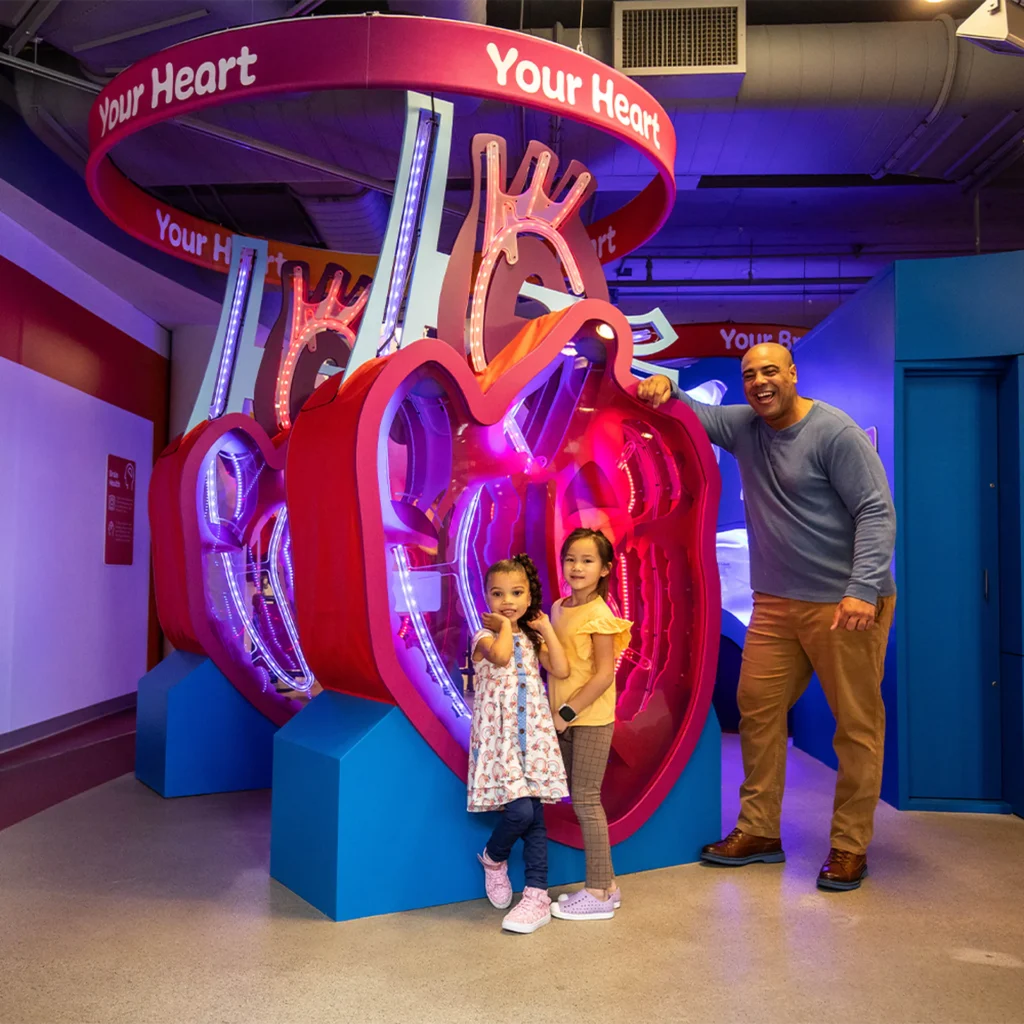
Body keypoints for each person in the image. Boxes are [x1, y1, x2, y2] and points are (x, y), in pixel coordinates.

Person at [637, 344, 896, 891]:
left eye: (771, 371)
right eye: (750, 374)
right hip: (775, 603)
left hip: (843, 602)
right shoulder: (745, 427)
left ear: (793, 374)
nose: (760, 382)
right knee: (757, 710)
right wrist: (666, 388)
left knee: (856, 726)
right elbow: (692, 411)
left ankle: (850, 846)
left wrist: (862, 589)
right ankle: (758, 831)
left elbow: (876, 511)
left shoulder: (835, 433)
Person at [468, 554, 570, 934]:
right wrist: (504, 626)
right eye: (498, 594)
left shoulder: (529, 637)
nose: (507, 601)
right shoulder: (483, 636)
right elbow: (500, 656)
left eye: (516, 593)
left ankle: (537, 894)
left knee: (536, 817)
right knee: (521, 813)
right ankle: (493, 858)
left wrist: (546, 629)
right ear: (486, 598)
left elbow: (560, 668)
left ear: (529, 598)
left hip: (534, 738)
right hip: (502, 740)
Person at [549, 528, 632, 921]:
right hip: (562, 720)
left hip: (590, 720)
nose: (577, 567)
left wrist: (565, 714)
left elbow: (603, 676)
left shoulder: (600, 617)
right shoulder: (558, 607)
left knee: (585, 800)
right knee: (576, 796)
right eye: (571, 559)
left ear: (605, 569)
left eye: (587, 560)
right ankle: (608, 886)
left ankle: (598, 892)